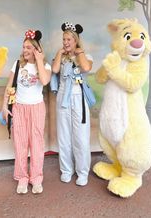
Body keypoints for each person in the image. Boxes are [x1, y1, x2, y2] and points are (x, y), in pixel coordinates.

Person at [2, 29, 51, 194]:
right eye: (24, 47)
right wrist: (4, 107)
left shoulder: (45, 66)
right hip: (19, 108)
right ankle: (22, 178)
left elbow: (44, 81)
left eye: (29, 47)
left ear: (36, 49)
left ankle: (36, 179)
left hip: (36, 108)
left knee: (36, 145)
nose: (25, 50)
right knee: (20, 144)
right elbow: (9, 87)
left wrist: (39, 60)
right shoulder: (17, 64)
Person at [52, 22, 93, 186]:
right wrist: (59, 53)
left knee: (81, 137)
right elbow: (54, 71)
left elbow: (85, 67)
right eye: (64, 39)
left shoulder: (85, 55)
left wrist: (78, 52)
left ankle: (82, 172)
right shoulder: (61, 57)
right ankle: (67, 170)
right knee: (64, 137)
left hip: (78, 97)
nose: (65, 42)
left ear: (75, 40)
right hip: (63, 97)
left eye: (69, 39)